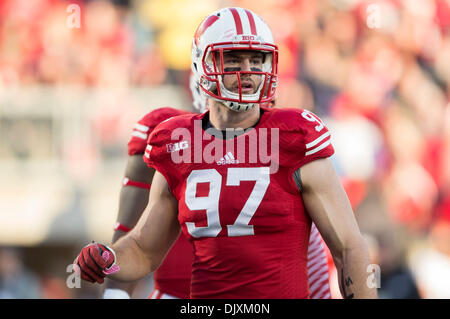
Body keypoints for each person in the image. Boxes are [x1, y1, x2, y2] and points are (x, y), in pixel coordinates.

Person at [74, 7, 375, 299]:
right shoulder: (176, 142)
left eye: (257, 60)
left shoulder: (295, 135)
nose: (248, 71)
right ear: (200, 65)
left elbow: (349, 248)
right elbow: (144, 249)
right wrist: (109, 258)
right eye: (232, 59)